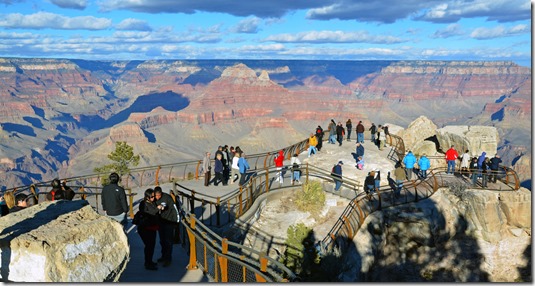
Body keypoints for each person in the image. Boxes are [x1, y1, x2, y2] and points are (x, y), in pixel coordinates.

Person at [154, 186, 180, 267]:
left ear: (161, 193)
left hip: (169, 222)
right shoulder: (153, 199)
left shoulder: (167, 198)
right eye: (156, 195)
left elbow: (174, 209)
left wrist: (176, 221)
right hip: (160, 223)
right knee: (162, 241)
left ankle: (168, 259)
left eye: (159, 195)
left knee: (168, 241)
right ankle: (163, 256)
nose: (157, 197)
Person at [137, 188, 160, 270]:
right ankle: (147, 263)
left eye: (153, 197)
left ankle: (149, 261)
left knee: (151, 246)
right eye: (151, 197)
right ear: (147, 197)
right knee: (149, 246)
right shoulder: (143, 204)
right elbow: (151, 212)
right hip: (145, 229)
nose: (153, 198)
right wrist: (158, 208)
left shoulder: (151, 203)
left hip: (152, 228)